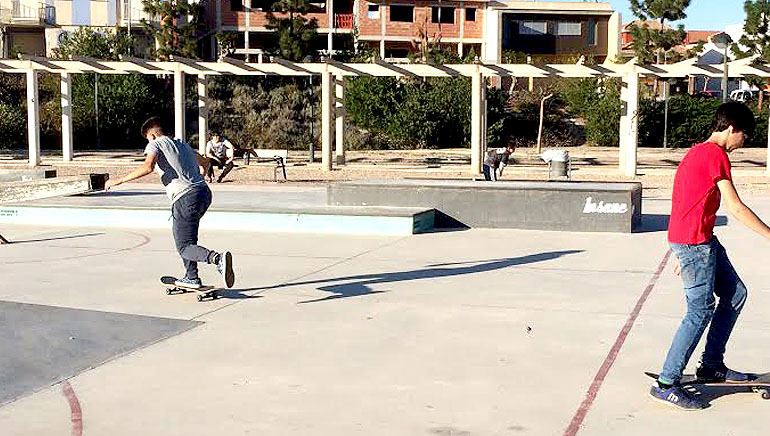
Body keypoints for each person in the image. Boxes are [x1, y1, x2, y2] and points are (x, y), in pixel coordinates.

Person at [650, 102, 770, 410]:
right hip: (694, 246)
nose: (744, 143)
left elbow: (683, 201)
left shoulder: (695, 153)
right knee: (699, 311)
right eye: (745, 135)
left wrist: (677, 248)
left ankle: (712, 364)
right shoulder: (715, 155)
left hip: (699, 242)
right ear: (731, 129)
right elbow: (736, 207)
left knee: (735, 293)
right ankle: (666, 383)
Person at [104, 117, 235, 290]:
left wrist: (119, 180)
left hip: (185, 198)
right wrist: (202, 171)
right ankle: (191, 277)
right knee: (188, 239)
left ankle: (217, 259)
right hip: (203, 193)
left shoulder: (155, 144)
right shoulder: (181, 144)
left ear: (151, 136)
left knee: (184, 246)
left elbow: (148, 167)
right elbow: (205, 161)